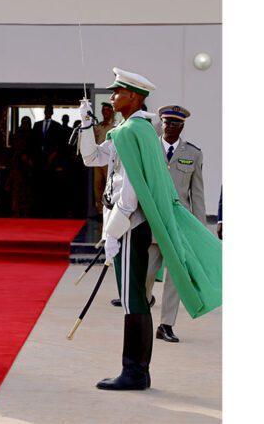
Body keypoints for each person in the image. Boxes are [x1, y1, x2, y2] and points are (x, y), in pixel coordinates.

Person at [79, 68, 221, 390]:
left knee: (134, 301)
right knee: (134, 299)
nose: (112, 97)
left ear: (133, 96)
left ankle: (135, 372)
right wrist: (86, 125)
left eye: (117, 92)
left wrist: (112, 231)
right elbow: (92, 158)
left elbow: (131, 190)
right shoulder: (131, 129)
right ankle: (137, 372)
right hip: (127, 224)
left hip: (130, 225)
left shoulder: (134, 130)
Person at [145, 105, 206, 343]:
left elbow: (197, 194)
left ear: (182, 126)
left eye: (174, 123)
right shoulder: (149, 148)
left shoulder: (193, 153)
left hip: (179, 226)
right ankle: (145, 303)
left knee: (175, 277)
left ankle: (166, 325)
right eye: (165, 122)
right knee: (147, 273)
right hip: (153, 222)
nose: (169, 127)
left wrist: (199, 231)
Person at [92, 102, 115, 213]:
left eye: (107, 110)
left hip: (110, 161)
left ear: (112, 111)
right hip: (98, 161)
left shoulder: (115, 126)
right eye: (103, 110)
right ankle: (100, 211)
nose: (105, 112)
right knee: (97, 185)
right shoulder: (98, 126)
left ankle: (109, 210)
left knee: (109, 185)